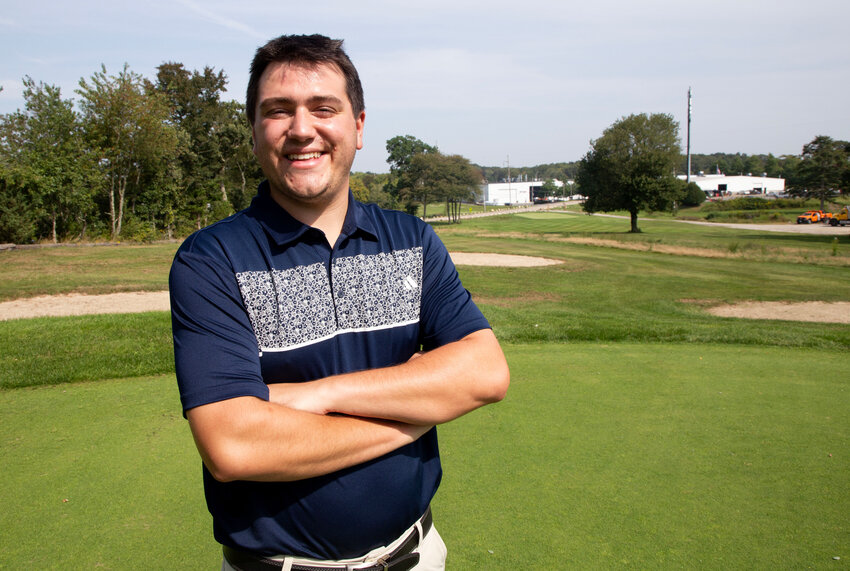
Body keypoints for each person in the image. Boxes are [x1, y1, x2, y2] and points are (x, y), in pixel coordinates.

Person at [169, 34, 510, 571]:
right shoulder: (211, 260)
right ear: (255, 131)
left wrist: (318, 394)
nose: (302, 129)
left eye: (323, 108)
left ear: (358, 126)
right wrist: (414, 417)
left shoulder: (410, 240)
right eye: (278, 111)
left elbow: (485, 373)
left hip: (416, 556)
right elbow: (235, 446)